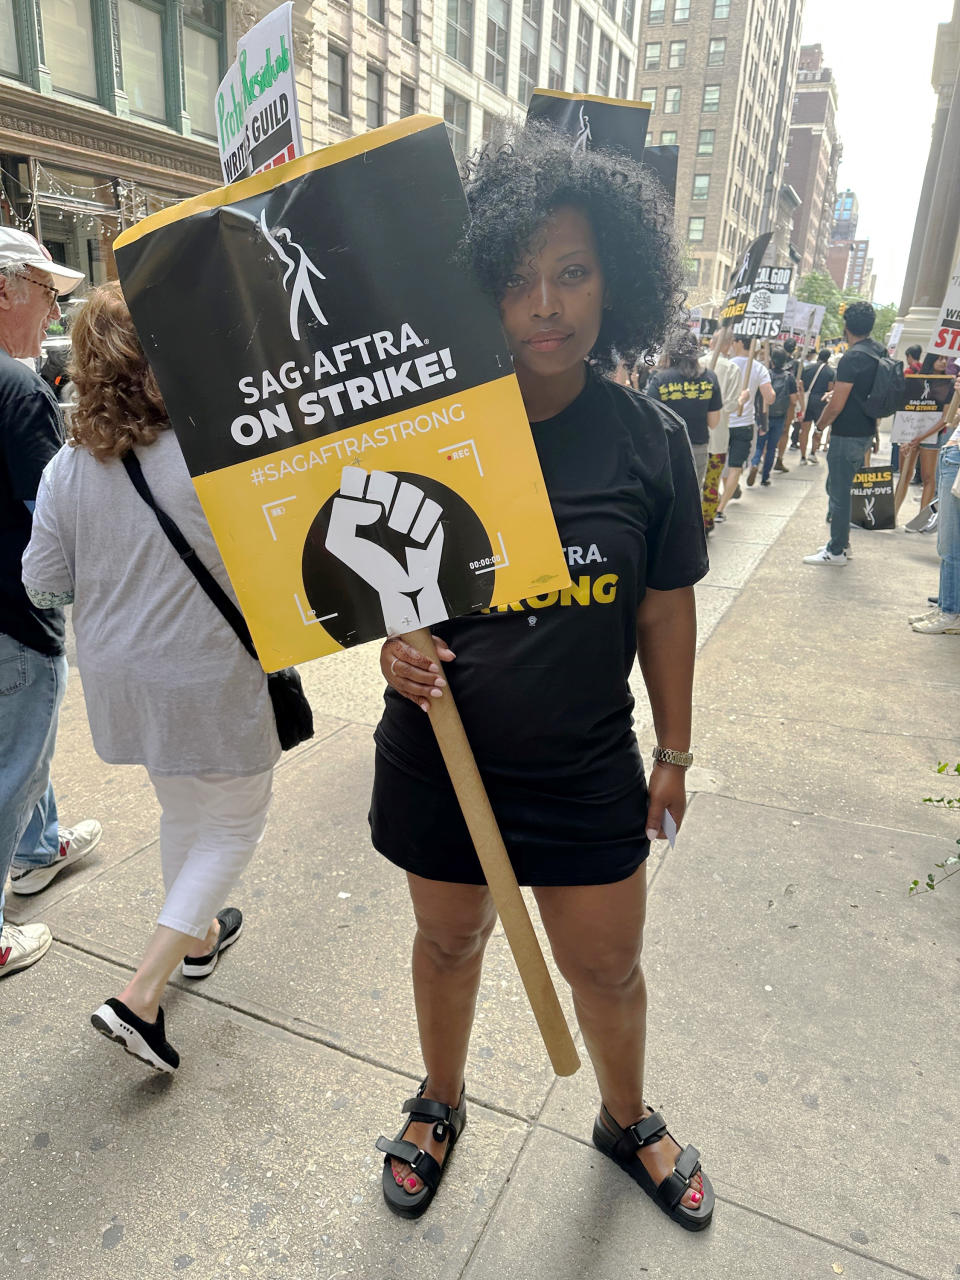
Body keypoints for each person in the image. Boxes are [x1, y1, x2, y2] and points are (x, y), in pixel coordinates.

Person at [371, 124, 714, 1231]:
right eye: (518, 282)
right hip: (443, 758)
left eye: (572, 273)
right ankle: (441, 1096)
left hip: (583, 768)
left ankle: (626, 1115)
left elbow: (665, 603)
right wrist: (390, 640)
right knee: (447, 940)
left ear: (619, 274)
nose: (547, 305)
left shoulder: (652, 442)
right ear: (485, 293)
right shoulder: (427, 437)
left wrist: (672, 749)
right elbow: (368, 571)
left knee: (607, 971)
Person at [22, 283, 280, 1069]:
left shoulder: (68, 470)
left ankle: (196, 939)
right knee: (234, 821)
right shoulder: (209, 449)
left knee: (183, 810)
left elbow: (43, 581)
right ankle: (140, 996)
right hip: (210, 673)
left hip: (122, 679)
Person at [0, 227, 101, 978]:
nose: (53, 316)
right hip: (14, 611)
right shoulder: (19, 387)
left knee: (18, 745)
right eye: (46, 293)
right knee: (14, 757)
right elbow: (54, 517)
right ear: (7, 290)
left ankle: (42, 847)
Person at [803, 300, 884, 566]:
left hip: (846, 434)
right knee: (843, 489)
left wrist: (819, 427)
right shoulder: (877, 351)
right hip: (864, 432)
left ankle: (836, 550)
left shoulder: (852, 357)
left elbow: (837, 404)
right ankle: (842, 542)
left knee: (838, 492)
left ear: (846, 326)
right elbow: (858, 395)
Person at [646, 328, 723, 486]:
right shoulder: (709, 378)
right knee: (691, 501)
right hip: (697, 448)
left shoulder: (660, 379)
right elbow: (714, 422)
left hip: (666, 449)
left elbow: (649, 420)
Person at [909, 405, 960, 633]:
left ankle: (951, 611)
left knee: (951, 545)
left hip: (956, 460)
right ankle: (946, 606)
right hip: (952, 455)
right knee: (947, 543)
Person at [714, 334, 774, 521]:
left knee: (718, 464)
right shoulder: (758, 368)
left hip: (722, 422)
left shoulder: (723, 364)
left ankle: (721, 497)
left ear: (739, 343)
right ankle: (721, 508)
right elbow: (770, 397)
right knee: (735, 467)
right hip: (744, 424)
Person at [896, 353, 953, 517]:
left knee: (928, 478)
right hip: (910, 432)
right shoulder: (914, 380)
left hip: (931, 437)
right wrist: (904, 436)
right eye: (939, 358)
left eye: (945, 358)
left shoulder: (949, 384)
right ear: (931, 360)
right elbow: (905, 408)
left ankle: (922, 519)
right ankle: (892, 514)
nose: (943, 361)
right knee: (904, 475)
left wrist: (920, 438)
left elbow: (945, 419)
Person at [700, 330, 744, 533]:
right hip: (718, 436)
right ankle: (707, 520)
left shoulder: (697, 364)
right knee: (711, 480)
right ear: (728, 345)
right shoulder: (732, 369)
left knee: (693, 479)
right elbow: (731, 405)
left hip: (695, 434)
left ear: (712, 343)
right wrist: (742, 400)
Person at [747, 347, 798, 487]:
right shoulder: (790, 377)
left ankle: (755, 463)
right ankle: (765, 477)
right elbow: (794, 400)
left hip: (763, 416)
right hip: (780, 417)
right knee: (771, 448)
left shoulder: (765, 374)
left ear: (772, 360)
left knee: (759, 445)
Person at [797, 348, 835, 465]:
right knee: (818, 429)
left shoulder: (807, 368)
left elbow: (800, 384)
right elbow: (830, 389)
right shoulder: (830, 372)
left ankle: (802, 456)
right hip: (821, 402)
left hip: (806, 401)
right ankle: (812, 453)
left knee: (804, 429)